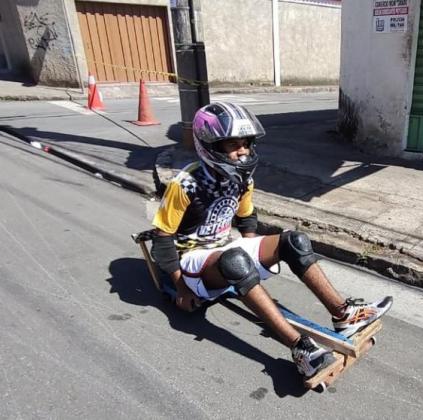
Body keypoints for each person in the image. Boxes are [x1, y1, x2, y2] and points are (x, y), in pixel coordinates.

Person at [150, 102, 393, 378]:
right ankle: (301, 349)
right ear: (209, 145)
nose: (242, 151)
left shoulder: (242, 179)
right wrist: (181, 287)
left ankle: (345, 315)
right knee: (235, 261)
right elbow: (162, 238)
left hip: (222, 252)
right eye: (232, 145)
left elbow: (246, 217)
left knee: (295, 241)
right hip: (192, 259)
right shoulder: (185, 184)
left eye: (245, 143)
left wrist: (250, 252)